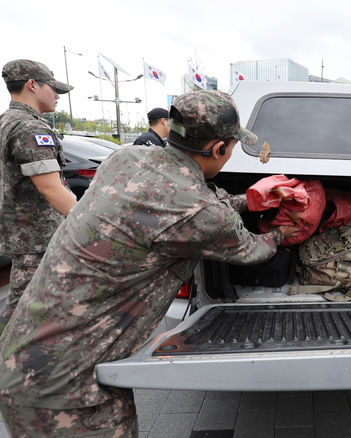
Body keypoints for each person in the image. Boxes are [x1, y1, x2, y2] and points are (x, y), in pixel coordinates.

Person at [0, 90, 299, 437]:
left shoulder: (126, 159)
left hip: (28, 356)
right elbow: (251, 250)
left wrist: (248, 201)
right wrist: (282, 233)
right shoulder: (200, 211)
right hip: (66, 387)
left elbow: (181, 211)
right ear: (219, 148)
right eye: (232, 146)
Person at [0, 59, 77, 331]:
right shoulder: (30, 128)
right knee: (25, 309)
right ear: (32, 85)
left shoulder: (7, 121)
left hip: (25, 234)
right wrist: (86, 222)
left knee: (30, 303)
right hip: (37, 235)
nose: (57, 95)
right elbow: (51, 188)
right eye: (53, 88)